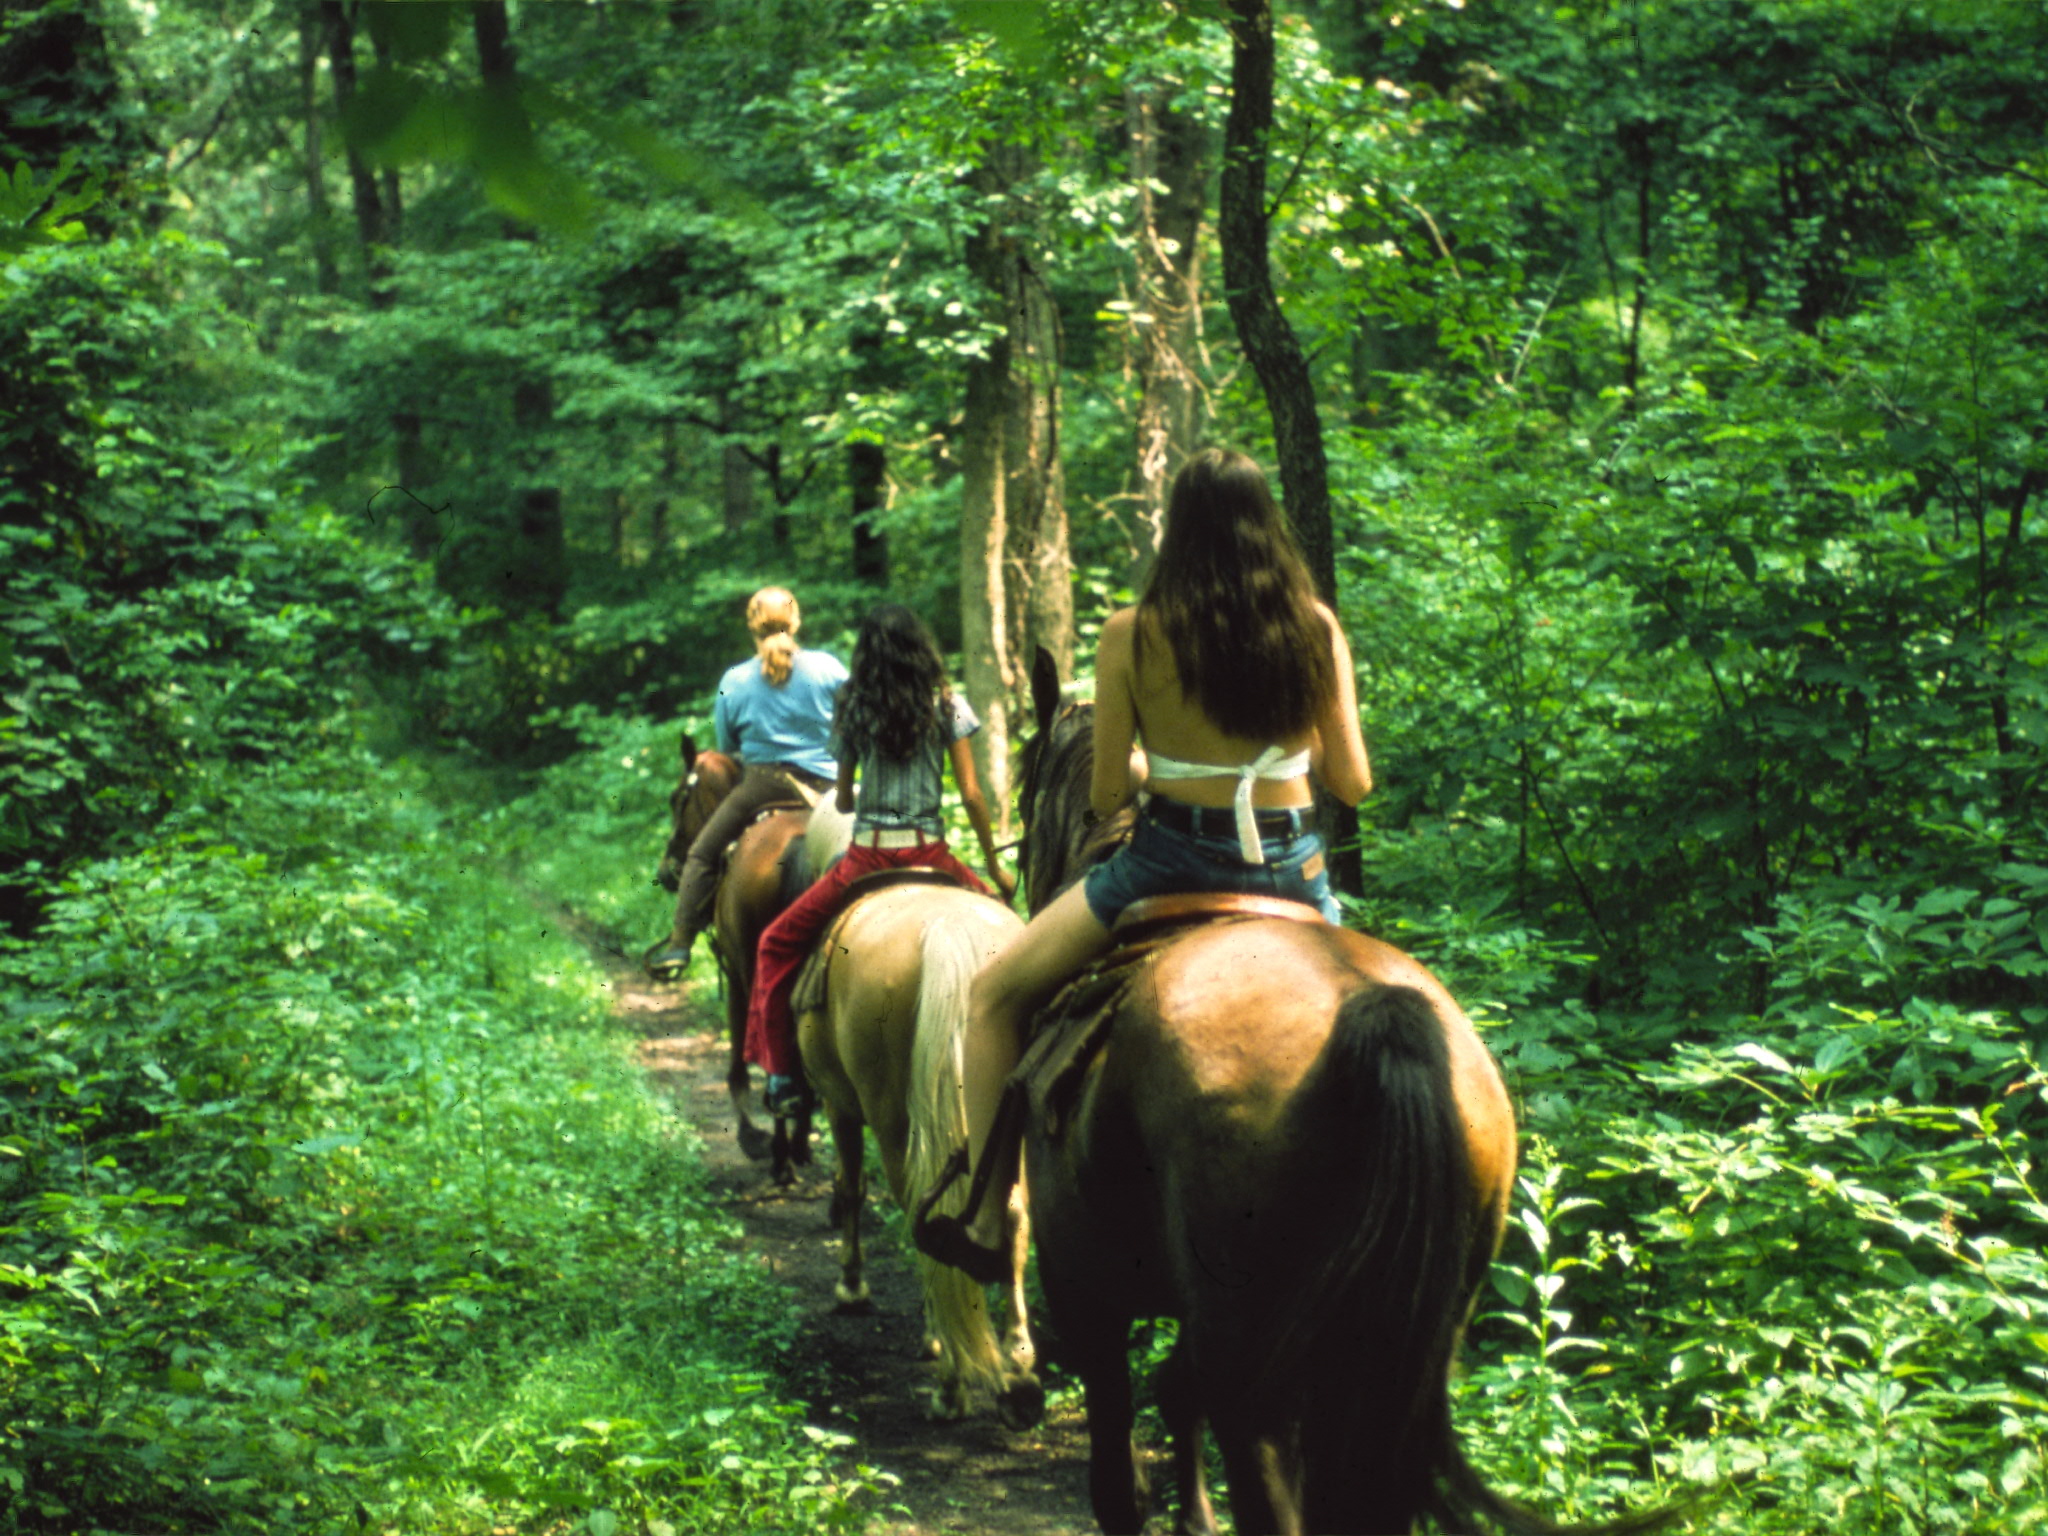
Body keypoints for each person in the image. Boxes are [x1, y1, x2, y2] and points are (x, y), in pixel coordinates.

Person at [916, 447, 1373, 1281]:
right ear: (1269, 522)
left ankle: (986, 1216)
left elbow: (1099, 795)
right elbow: (1353, 782)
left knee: (992, 998)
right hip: (1296, 878)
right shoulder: (1316, 628)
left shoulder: (1134, 631)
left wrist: (1161, 769)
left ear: (1178, 527)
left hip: (1168, 866)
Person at [744, 603, 1016, 1113]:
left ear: (868, 655)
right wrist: (994, 865)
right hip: (931, 852)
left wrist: (861, 793)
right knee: (1015, 940)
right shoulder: (948, 705)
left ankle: (783, 1076)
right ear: (922, 651)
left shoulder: (854, 704)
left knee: (775, 943)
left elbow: (844, 799)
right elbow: (974, 795)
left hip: (865, 859)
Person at [646, 587, 847, 979]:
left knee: (702, 854)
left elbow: (727, 748)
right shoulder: (830, 669)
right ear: (797, 621)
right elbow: (851, 725)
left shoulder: (734, 680)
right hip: (829, 792)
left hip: (760, 787)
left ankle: (679, 942)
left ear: (751, 626)